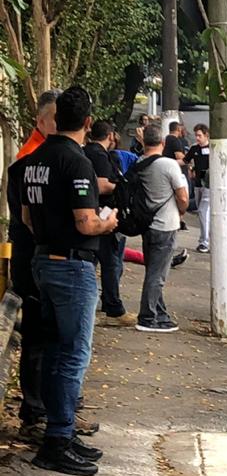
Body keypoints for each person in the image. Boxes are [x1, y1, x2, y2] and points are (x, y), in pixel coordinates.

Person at [20, 86, 118, 475]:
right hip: (72, 266)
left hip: (43, 260)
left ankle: (61, 433)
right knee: (73, 354)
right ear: (88, 122)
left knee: (58, 351)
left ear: (55, 119)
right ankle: (57, 439)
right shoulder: (76, 163)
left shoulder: (35, 159)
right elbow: (86, 222)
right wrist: (107, 222)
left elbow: (28, 218)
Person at [6, 89, 59, 440]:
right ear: (40, 122)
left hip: (38, 257)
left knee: (48, 337)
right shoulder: (30, 160)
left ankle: (49, 409)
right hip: (32, 258)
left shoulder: (41, 154)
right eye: (56, 118)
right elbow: (29, 218)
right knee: (38, 339)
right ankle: (34, 413)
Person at [135, 122, 189, 332]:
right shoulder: (168, 164)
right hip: (166, 225)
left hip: (147, 224)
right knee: (157, 275)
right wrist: (182, 210)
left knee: (153, 271)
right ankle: (147, 317)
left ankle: (161, 314)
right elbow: (182, 196)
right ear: (163, 142)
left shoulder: (140, 162)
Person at [83, 120, 132, 326]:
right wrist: (120, 187)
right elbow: (102, 185)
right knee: (111, 263)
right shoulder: (99, 155)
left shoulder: (88, 152)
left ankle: (102, 302)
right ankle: (113, 307)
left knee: (95, 262)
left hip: (94, 213)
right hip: (103, 215)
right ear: (110, 136)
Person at [189, 123, 211, 252]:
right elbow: (185, 160)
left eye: (199, 135)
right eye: (196, 135)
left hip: (209, 185)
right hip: (198, 184)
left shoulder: (213, 148)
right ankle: (206, 239)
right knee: (202, 212)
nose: (197, 138)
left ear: (206, 135)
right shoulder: (194, 149)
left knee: (203, 211)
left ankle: (205, 242)